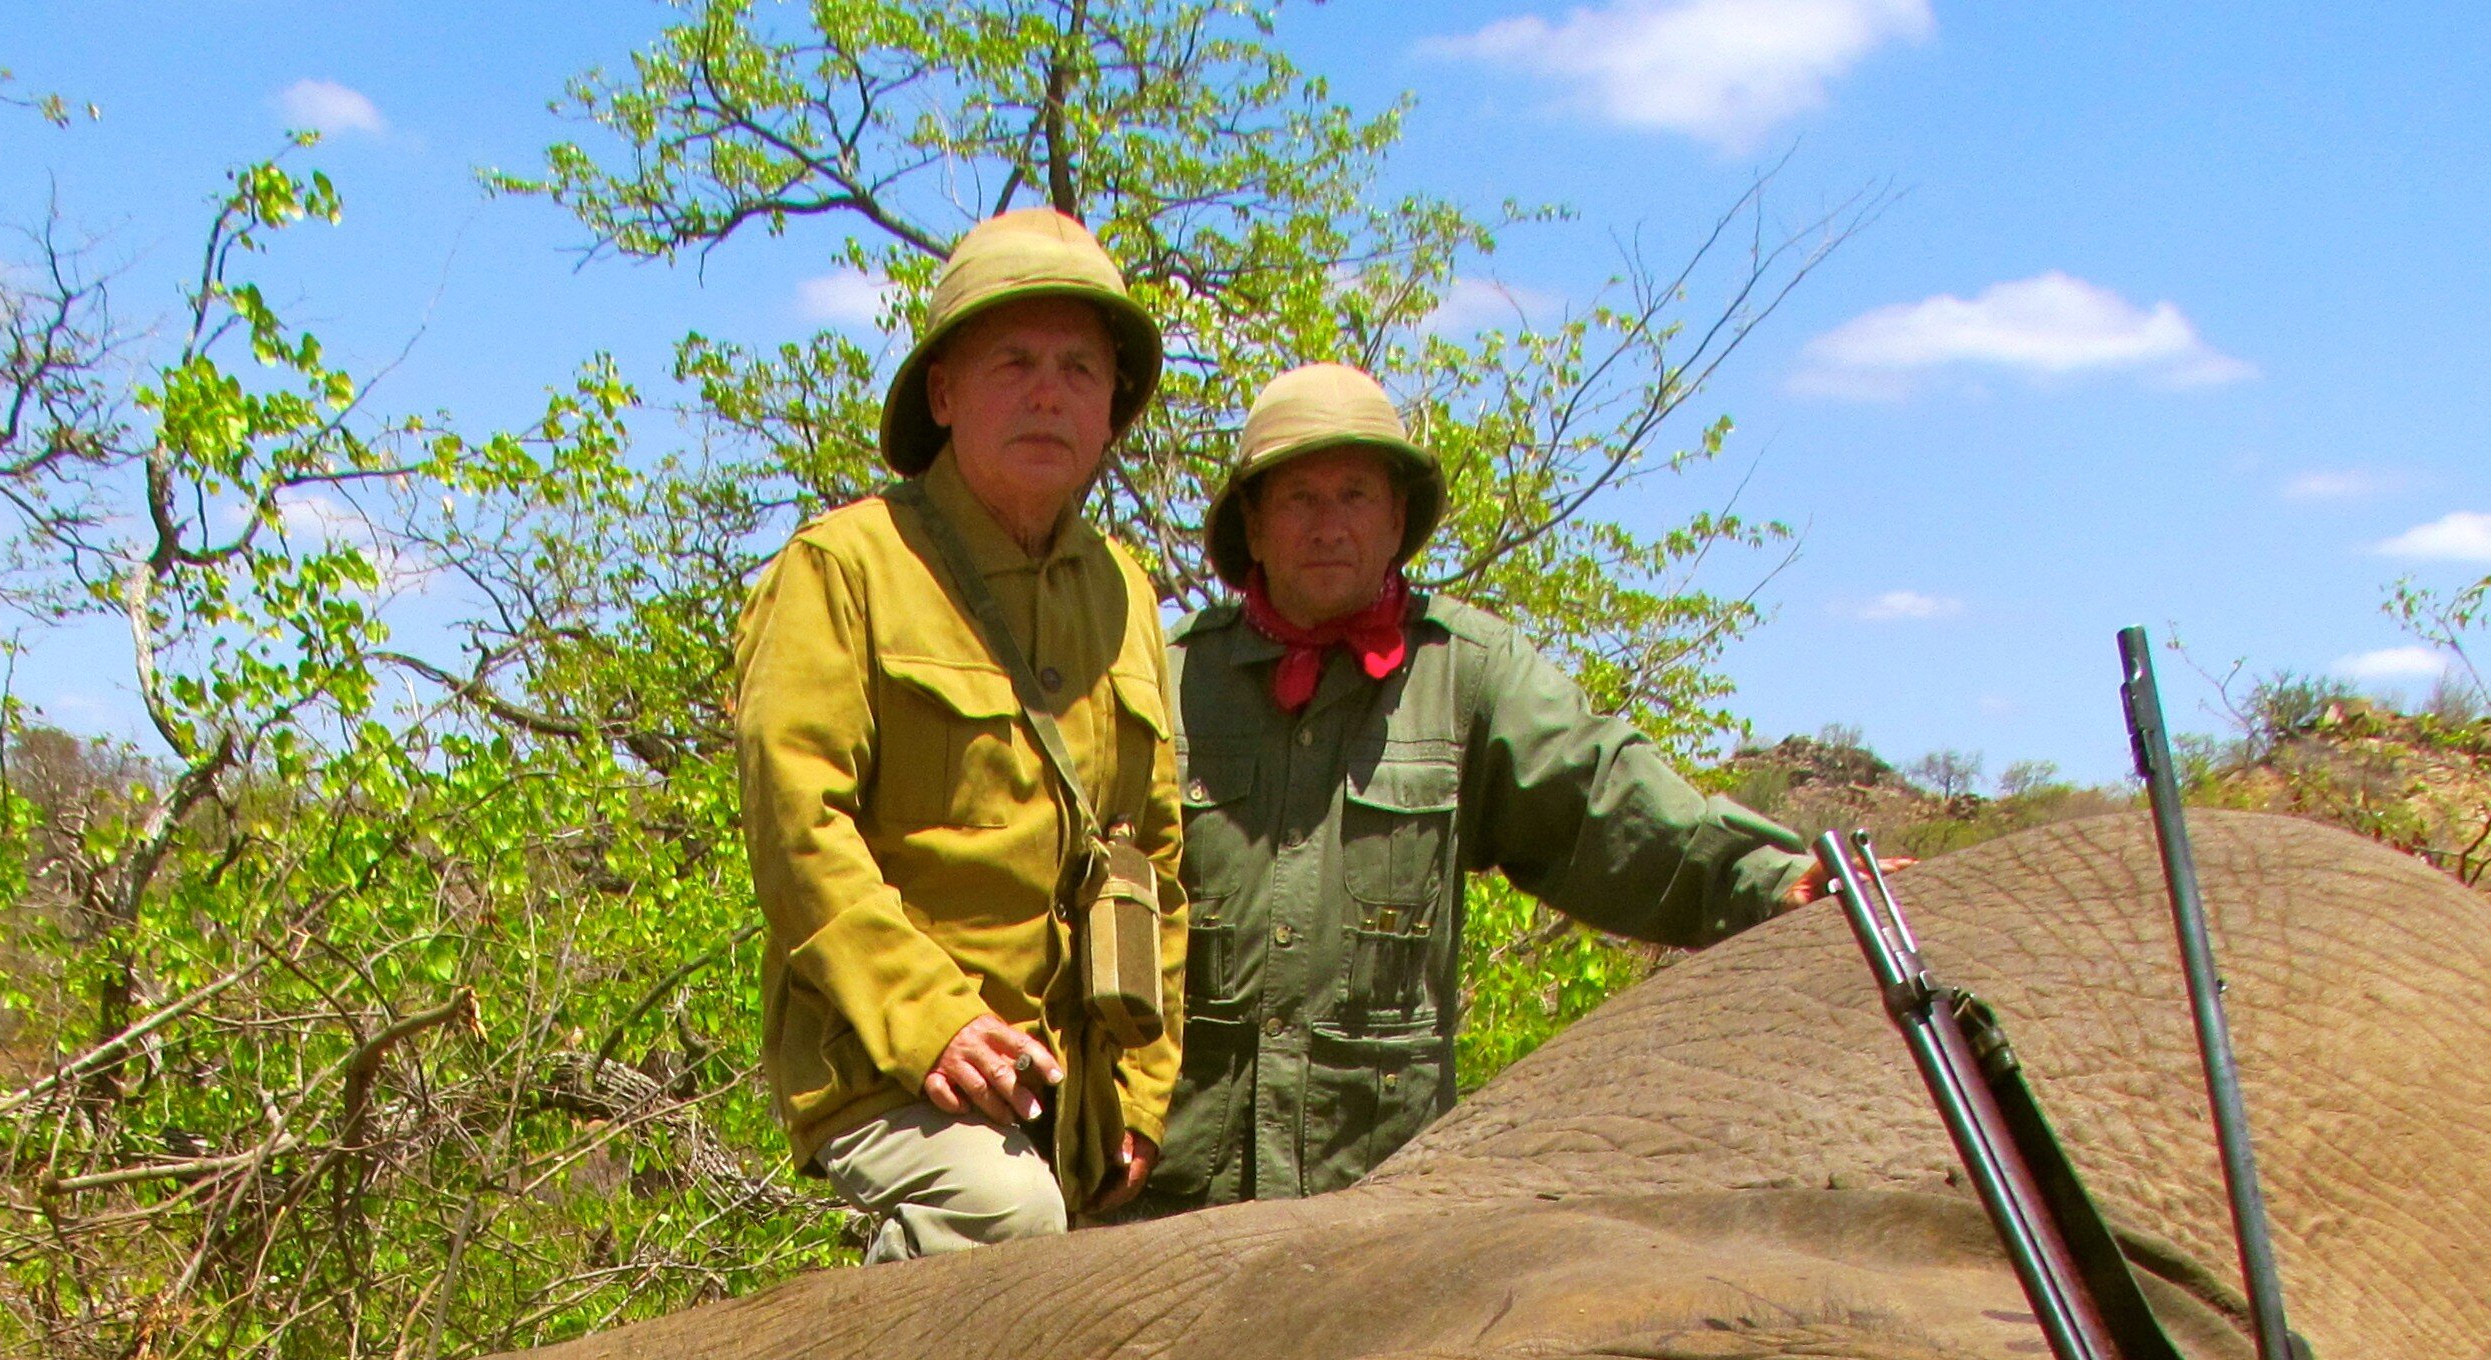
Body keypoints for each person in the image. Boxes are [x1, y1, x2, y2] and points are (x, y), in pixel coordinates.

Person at [1145, 363, 1812, 1213]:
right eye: (1298, 499)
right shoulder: (1165, 681)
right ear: (1254, 523)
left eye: (1355, 495)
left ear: (1396, 521)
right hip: (1167, 1198)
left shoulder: (1470, 674)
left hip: (1381, 1193)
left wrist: (1771, 882)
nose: (1328, 526)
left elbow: (1601, 800)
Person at [732, 210, 1185, 1261]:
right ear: (943, 394)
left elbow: (1156, 859)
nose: (1048, 391)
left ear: (1111, 406)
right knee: (1003, 1216)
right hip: (890, 1074)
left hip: (1076, 1095)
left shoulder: (1124, 592)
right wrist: (931, 1022)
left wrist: (1147, 1099)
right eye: (1013, 362)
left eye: (1080, 367)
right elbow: (800, 828)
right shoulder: (845, 567)